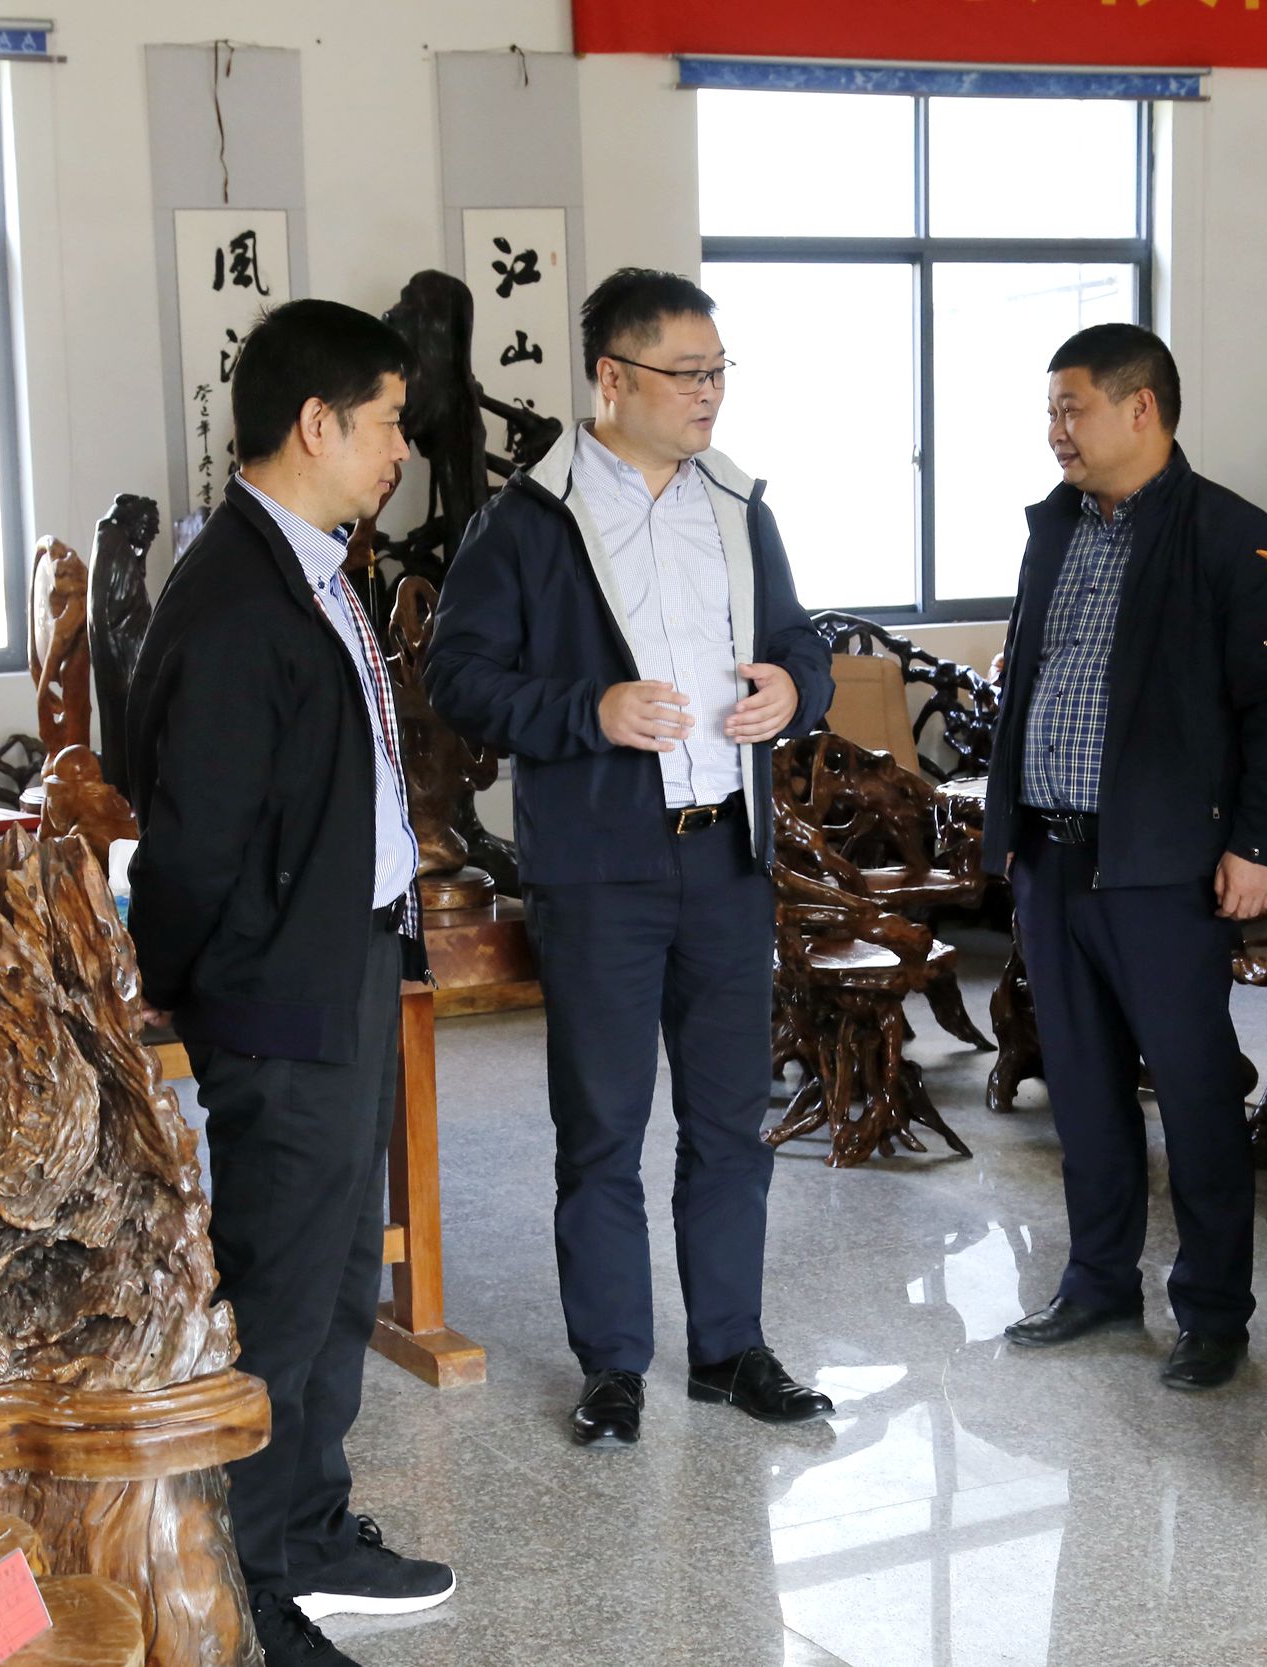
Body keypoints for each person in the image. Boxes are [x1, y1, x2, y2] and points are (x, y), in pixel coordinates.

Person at [426, 268, 836, 1449]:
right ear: (611, 377)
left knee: (730, 1121)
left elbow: (799, 642)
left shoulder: (738, 506)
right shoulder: (528, 520)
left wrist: (793, 689)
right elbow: (459, 678)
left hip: (726, 859)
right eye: (686, 372)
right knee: (602, 1127)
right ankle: (612, 1363)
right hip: (601, 868)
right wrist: (588, 710)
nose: (710, 392)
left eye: (719, 371)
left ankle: (730, 1348)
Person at [122, 298, 454, 1667]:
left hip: (345, 957)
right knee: (279, 1285)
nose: (400, 451)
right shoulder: (234, 598)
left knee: (333, 1281)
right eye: (387, 423)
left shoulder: (307, 565)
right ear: (316, 423)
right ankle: (250, 1579)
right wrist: (197, 982)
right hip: (281, 987)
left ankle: (309, 1525)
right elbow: (189, 839)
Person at [981, 323, 1267, 1391]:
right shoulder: (1056, 528)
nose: (1055, 430)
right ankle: (1097, 1282)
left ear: (1141, 409)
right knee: (1082, 1088)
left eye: (1070, 408)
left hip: (1164, 866)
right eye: (1049, 411)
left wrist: (1257, 843)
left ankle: (1213, 1312)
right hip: (1052, 856)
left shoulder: (1233, 537)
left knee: (1195, 1092)